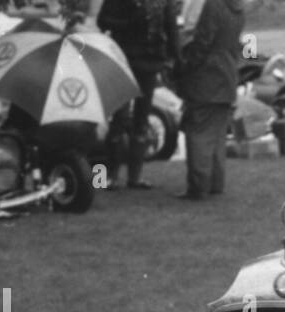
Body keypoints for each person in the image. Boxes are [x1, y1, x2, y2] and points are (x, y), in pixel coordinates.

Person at [97, 0, 182, 189]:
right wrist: (128, 22)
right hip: (125, 60)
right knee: (119, 119)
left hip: (149, 61)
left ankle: (133, 177)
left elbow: (171, 27)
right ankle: (110, 176)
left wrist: (176, 57)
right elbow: (103, 21)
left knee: (141, 121)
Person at [175, 0, 244, 201]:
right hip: (227, 75)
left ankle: (198, 187)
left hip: (207, 77)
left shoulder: (213, 5)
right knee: (217, 137)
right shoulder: (237, 7)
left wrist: (186, 65)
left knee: (198, 134)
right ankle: (215, 183)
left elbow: (203, 41)